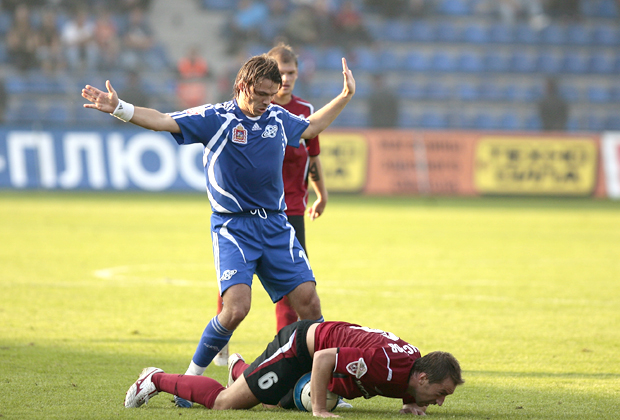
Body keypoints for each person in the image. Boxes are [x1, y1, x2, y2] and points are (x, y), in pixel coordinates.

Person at [82, 52, 355, 403]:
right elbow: (163, 120)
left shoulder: (277, 117)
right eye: (261, 94)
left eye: (271, 95)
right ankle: (189, 380)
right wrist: (120, 108)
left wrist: (345, 95)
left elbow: (312, 127)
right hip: (233, 227)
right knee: (236, 308)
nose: (267, 101)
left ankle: (318, 385)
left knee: (310, 304)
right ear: (242, 86)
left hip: (276, 225)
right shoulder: (216, 118)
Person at [213, 42, 329, 365]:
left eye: (291, 73)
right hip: (253, 209)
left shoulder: (303, 111)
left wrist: (321, 193)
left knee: (295, 289)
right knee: (237, 281)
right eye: (281, 73)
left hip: (292, 209)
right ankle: (221, 336)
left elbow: (313, 154)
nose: (286, 79)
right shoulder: (252, 111)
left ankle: (286, 349)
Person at [124, 320, 464, 418]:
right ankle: (154, 379)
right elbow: (324, 359)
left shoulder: (413, 366)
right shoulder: (384, 364)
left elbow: (403, 378)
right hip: (300, 347)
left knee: (271, 401)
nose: (440, 401)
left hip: (317, 353)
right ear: (423, 377)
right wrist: (318, 411)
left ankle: (240, 369)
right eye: (441, 393)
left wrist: (410, 401)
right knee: (225, 403)